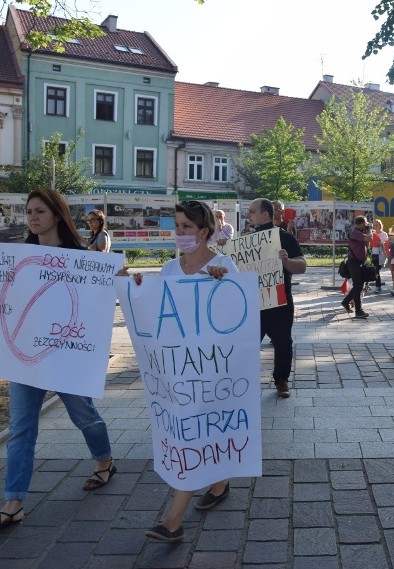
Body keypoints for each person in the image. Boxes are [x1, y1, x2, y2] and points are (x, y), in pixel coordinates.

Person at [0, 189, 116, 530]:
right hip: (25, 360)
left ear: (57, 215)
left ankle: (104, 461)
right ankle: (13, 503)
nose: (32, 217)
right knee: (21, 429)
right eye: (28, 212)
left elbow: (99, 297)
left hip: (65, 358)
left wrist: (126, 281)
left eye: (39, 211)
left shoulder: (79, 256)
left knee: (84, 416)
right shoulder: (17, 256)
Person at [121, 200, 237, 543]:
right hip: (179, 372)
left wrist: (224, 282)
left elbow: (239, 314)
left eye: (187, 227)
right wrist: (138, 287)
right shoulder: (171, 270)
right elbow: (157, 313)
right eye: (177, 227)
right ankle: (219, 481)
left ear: (204, 232)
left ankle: (173, 520)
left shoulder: (224, 265)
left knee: (194, 435)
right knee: (194, 433)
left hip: (213, 369)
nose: (180, 233)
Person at [248, 199, 307, 393]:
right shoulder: (246, 239)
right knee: (247, 342)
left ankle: (281, 379)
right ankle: (243, 379)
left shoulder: (284, 238)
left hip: (279, 300)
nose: (249, 215)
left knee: (282, 342)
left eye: (253, 211)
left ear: (265, 214)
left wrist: (286, 261)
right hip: (253, 302)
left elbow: (302, 266)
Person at [342, 215, 371, 318]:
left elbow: (369, 242)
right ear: (361, 223)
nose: (367, 225)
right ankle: (358, 311)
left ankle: (346, 301)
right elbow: (370, 237)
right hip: (354, 262)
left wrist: (367, 231)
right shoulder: (355, 232)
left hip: (358, 262)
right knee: (358, 285)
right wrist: (370, 230)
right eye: (365, 223)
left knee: (359, 285)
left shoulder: (360, 232)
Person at [370, 219, 388, 293]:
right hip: (374, 253)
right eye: (374, 225)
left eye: (376, 225)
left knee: (376, 270)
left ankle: (378, 287)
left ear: (380, 226)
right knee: (375, 270)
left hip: (381, 254)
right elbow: (370, 243)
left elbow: (387, 245)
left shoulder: (384, 234)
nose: (375, 226)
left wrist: (381, 243)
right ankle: (377, 286)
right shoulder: (372, 233)